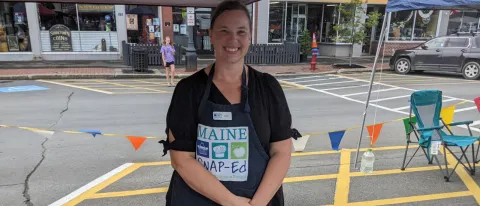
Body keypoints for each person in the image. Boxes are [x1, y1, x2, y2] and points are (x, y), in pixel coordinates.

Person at [161, 1, 293, 205]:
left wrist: (257, 203)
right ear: (211, 34)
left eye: (241, 31)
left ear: (250, 36)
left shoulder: (267, 88)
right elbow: (181, 159)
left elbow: (281, 152)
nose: (233, 39)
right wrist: (232, 202)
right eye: (224, 30)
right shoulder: (188, 90)